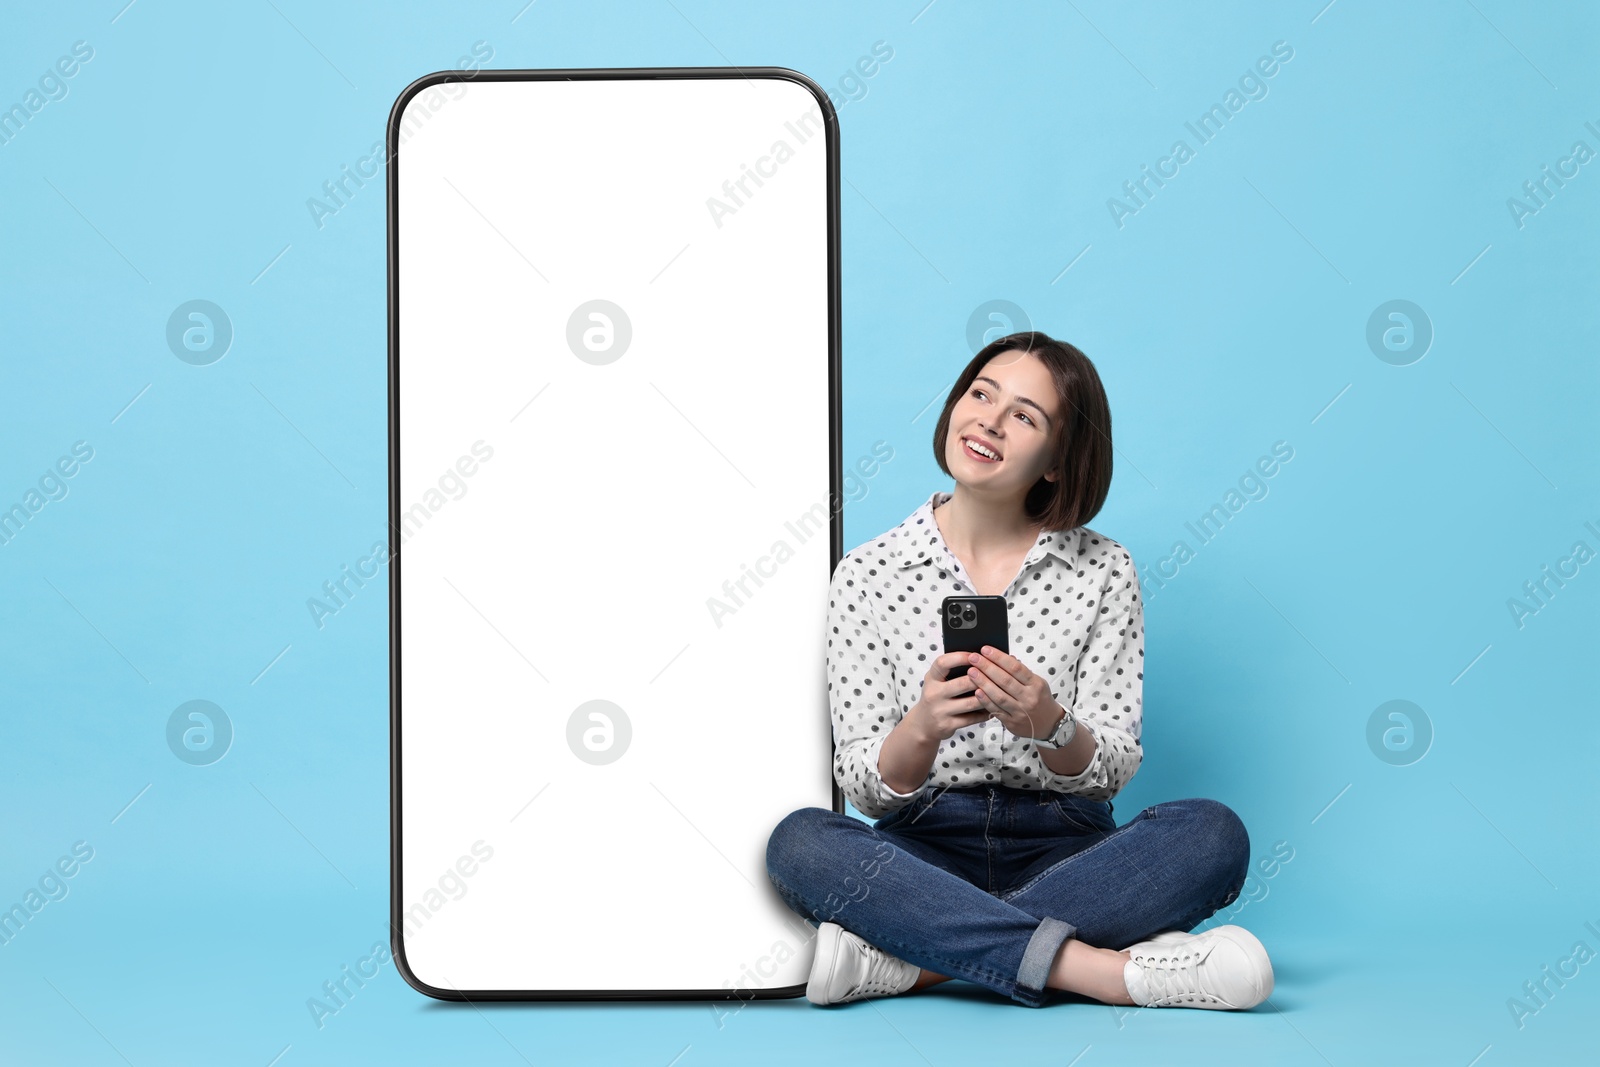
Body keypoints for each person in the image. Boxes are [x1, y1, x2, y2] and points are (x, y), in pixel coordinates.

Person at [765, 331, 1273, 1010]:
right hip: (924, 852)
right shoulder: (868, 572)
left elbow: (1113, 766)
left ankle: (918, 962)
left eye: (1025, 416)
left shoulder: (1103, 570)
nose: (990, 421)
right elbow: (865, 784)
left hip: (1068, 849)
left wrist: (1050, 723)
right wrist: (920, 727)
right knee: (801, 842)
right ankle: (1108, 973)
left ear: (1058, 463)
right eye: (981, 394)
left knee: (1214, 834)